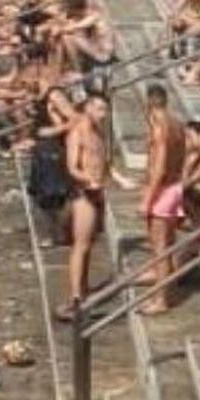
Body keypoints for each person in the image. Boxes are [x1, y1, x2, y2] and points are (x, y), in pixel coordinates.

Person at [57, 92, 135, 319]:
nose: (103, 114)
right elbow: (72, 167)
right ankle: (75, 297)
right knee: (80, 245)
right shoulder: (77, 132)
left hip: (98, 191)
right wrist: (88, 180)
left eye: (105, 110)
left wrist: (120, 179)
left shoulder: (99, 132)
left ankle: (83, 289)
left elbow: (104, 162)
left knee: (89, 245)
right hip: (84, 194)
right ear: (88, 107)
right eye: (99, 109)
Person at [140, 84, 187, 315]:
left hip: (162, 190)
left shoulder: (160, 128)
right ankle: (166, 289)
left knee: (160, 248)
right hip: (174, 187)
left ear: (149, 102)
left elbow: (158, 168)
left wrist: (147, 199)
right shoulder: (177, 124)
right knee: (166, 244)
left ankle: (161, 300)